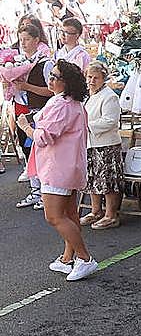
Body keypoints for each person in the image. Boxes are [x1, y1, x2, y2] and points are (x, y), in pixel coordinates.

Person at [14, 60, 98, 280]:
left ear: (67, 82)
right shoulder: (71, 102)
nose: (50, 80)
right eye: (50, 75)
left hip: (58, 167)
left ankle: (85, 258)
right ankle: (67, 258)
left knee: (53, 216)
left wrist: (25, 126)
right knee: (70, 214)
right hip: (68, 166)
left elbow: (43, 137)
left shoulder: (61, 104)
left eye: (55, 77)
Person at [12, 19, 53, 210]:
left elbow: (52, 90)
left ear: (37, 40)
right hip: (25, 111)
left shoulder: (45, 63)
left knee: (44, 153)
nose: (23, 43)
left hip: (42, 113)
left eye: (27, 39)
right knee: (29, 151)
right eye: (21, 39)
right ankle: (36, 189)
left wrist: (27, 86)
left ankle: (46, 191)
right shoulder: (19, 62)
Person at [81, 62, 123, 230]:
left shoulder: (109, 96)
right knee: (93, 178)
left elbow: (110, 121)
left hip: (106, 145)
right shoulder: (88, 95)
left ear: (103, 78)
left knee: (108, 180)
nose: (92, 80)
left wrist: (86, 126)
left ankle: (111, 215)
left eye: (96, 78)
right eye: (89, 77)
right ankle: (96, 211)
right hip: (91, 144)